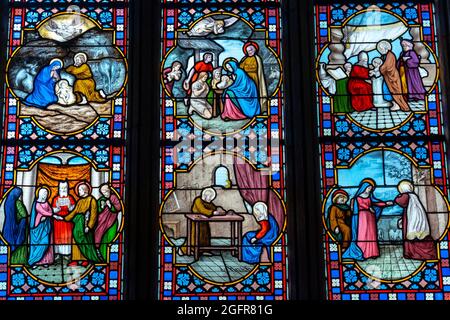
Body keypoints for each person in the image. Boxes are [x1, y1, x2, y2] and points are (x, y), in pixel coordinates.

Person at [342, 179, 393, 260]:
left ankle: (372, 253)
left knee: (371, 233)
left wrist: (386, 203)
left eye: (371, 188)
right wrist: (368, 208)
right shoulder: (357, 197)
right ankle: (363, 252)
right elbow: (361, 204)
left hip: (370, 217)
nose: (370, 189)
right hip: (362, 217)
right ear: (364, 188)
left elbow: (376, 203)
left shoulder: (370, 197)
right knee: (363, 233)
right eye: (369, 188)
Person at [394, 180, 437, 260]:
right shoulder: (413, 196)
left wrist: (397, 197)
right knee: (418, 235)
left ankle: (413, 253)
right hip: (414, 216)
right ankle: (413, 253)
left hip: (411, 218)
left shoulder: (407, 195)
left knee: (414, 235)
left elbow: (399, 201)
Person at [178, 187, 225, 256]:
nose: (211, 199)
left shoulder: (208, 202)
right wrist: (213, 212)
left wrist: (218, 209)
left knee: (205, 236)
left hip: (204, 222)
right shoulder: (198, 200)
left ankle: (204, 250)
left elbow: (213, 207)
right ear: (205, 196)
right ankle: (184, 250)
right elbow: (202, 210)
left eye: (212, 197)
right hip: (196, 222)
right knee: (194, 236)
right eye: (210, 197)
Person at [64, 182, 101, 266]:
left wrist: (89, 226)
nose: (78, 191)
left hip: (85, 225)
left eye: (80, 190)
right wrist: (65, 218)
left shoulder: (92, 200)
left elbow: (93, 215)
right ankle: (76, 260)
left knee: (86, 243)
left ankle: (86, 259)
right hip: (78, 226)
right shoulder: (80, 201)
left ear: (85, 191)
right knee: (75, 243)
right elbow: (75, 212)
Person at [28, 187, 62, 268]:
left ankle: (46, 260)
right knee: (41, 243)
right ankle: (34, 261)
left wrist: (57, 209)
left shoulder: (46, 202)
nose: (45, 195)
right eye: (44, 193)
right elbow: (43, 212)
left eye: (46, 194)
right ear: (39, 194)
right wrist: (54, 216)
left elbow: (50, 211)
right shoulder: (37, 203)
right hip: (38, 226)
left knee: (46, 242)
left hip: (46, 226)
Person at [377, 40, 410, 112]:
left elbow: (388, 66)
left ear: (386, 48)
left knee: (394, 91)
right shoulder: (385, 55)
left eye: (381, 49)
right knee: (387, 90)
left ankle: (397, 104)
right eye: (379, 49)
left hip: (392, 76)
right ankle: (394, 103)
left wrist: (380, 68)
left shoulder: (390, 55)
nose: (380, 51)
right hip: (388, 76)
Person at [94, 184, 122, 260]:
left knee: (110, 238)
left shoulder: (114, 198)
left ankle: (109, 258)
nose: (105, 194)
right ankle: (102, 257)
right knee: (100, 238)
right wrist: (102, 206)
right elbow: (97, 210)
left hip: (111, 222)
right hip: (101, 222)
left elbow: (119, 207)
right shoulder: (101, 199)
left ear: (110, 190)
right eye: (103, 192)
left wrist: (110, 205)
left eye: (106, 191)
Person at [240, 41, 268, 113]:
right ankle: (247, 110)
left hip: (255, 78)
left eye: (251, 50)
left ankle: (256, 109)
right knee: (246, 95)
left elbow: (259, 70)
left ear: (255, 49)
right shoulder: (244, 59)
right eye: (248, 51)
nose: (249, 52)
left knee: (254, 94)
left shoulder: (257, 59)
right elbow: (240, 69)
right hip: (246, 79)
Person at [2, 187, 28, 264]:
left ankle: (10, 260)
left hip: (8, 227)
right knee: (19, 244)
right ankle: (19, 261)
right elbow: (24, 214)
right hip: (19, 226)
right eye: (20, 194)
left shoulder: (8, 202)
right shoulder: (18, 203)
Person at [52, 180, 75, 257]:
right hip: (58, 220)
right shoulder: (55, 198)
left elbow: (74, 210)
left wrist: (69, 207)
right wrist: (57, 208)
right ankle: (57, 252)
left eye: (65, 188)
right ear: (59, 189)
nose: (63, 189)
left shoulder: (70, 198)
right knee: (57, 236)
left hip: (68, 220)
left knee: (67, 236)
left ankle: (67, 253)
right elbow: (52, 210)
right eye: (61, 188)